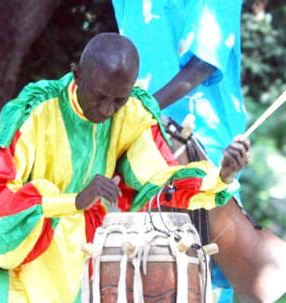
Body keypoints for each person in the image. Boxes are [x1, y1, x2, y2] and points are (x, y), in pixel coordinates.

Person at [0, 33, 249, 303]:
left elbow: (160, 182)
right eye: (99, 97)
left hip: (76, 268)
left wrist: (220, 176)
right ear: (77, 75)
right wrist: (72, 201)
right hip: (10, 265)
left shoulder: (133, 114)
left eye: (118, 100)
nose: (106, 110)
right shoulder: (36, 109)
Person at [111, 1, 247, 301]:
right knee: (141, 268)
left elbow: (203, 64)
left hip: (202, 144)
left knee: (204, 269)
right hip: (139, 144)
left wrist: (142, 109)